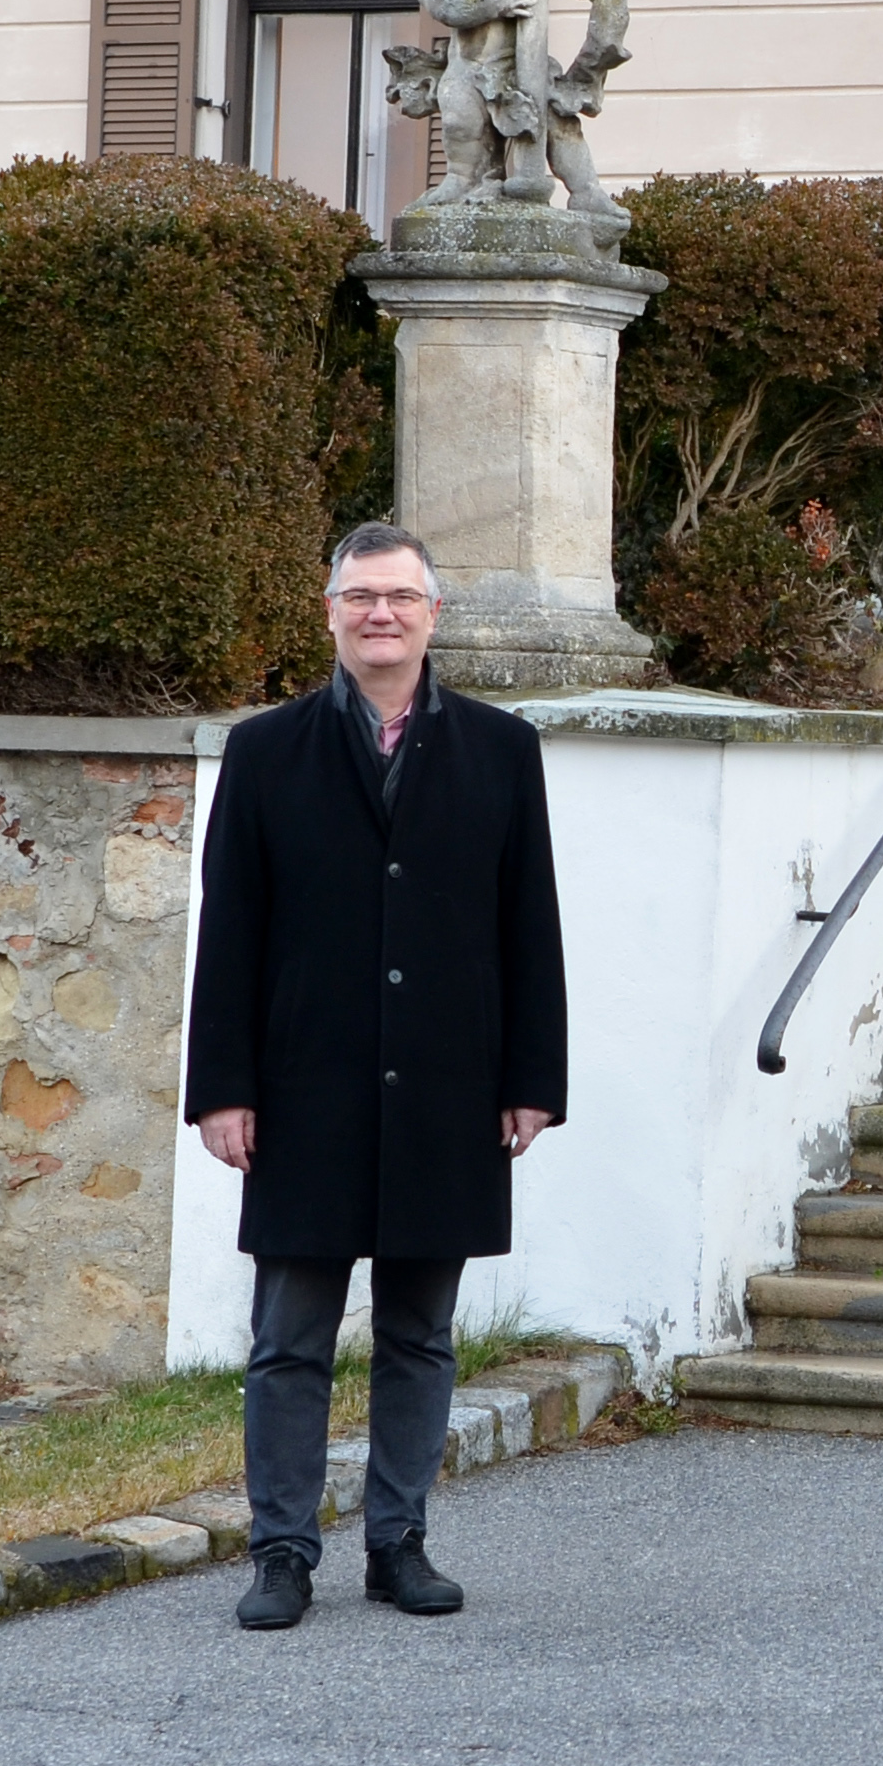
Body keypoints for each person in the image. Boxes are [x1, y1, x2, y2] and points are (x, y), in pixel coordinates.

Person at [185, 521, 568, 1632]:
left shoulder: (502, 750)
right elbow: (232, 935)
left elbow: (527, 924)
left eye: (400, 597)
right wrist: (222, 1088)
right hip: (304, 1085)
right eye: (360, 597)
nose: (380, 615)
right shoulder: (265, 752)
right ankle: (282, 1551)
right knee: (289, 1338)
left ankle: (398, 1541)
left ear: (433, 614)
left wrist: (530, 1077)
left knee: (419, 1333)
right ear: (331, 613)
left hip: (449, 1085)